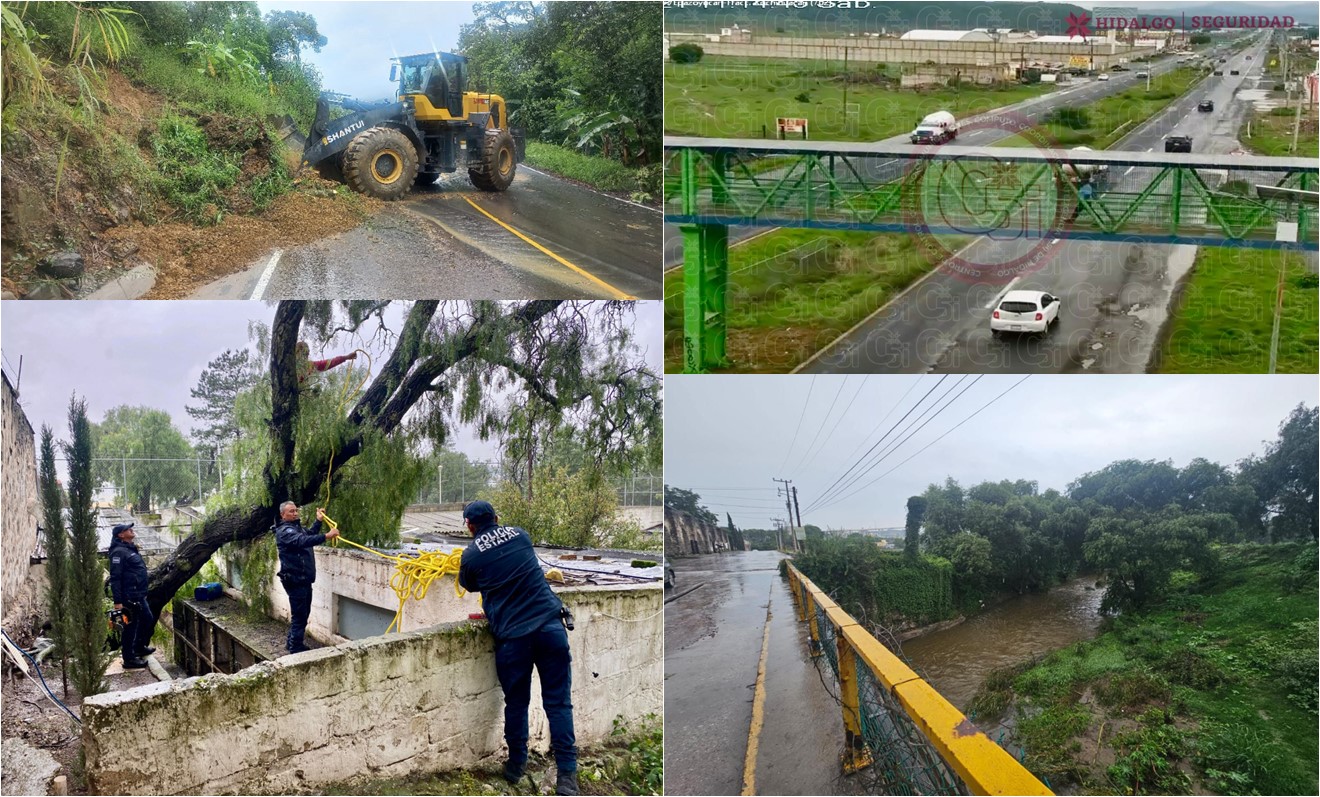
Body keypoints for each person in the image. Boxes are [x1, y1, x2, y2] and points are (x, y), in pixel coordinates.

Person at [458, 500, 578, 796]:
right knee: (559, 704)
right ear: (496, 518)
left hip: (513, 638)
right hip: (550, 628)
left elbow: (469, 584)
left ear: (470, 526)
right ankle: (567, 777)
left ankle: (515, 767)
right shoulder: (521, 535)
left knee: (516, 703)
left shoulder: (471, 554)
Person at [274, 502, 339, 654]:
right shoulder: (285, 531)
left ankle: (292, 643)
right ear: (283, 515)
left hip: (303, 579)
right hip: (295, 580)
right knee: (300, 615)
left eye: (296, 510)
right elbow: (302, 541)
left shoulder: (296, 528)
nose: (295, 513)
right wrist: (327, 536)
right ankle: (295, 647)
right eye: (291, 511)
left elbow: (308, 535)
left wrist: (318, 521)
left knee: (302, 613)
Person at [108, 522, 155, 669]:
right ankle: (129, 659)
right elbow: (115, 578)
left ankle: (138, 647)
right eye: (127, 529)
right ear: (121, 535)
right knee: (129, 627)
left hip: (138, 595)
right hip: (128, 597)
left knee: (147, 619)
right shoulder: (118, 552)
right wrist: (118, 601)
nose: (131, 530)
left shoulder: (129, 548)